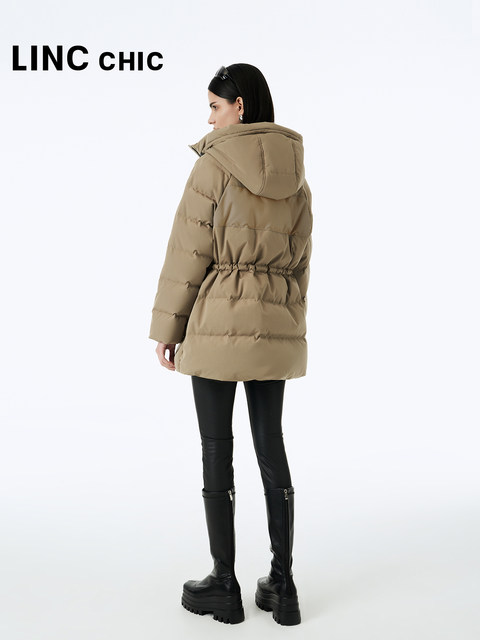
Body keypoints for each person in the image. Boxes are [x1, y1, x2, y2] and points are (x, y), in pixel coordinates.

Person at [148, 63, 313, 626]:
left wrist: (169, 329)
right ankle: (283, 584)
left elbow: (188, 253)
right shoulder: (296, 175)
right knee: (271, 444)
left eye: (215, 107)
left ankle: (224, 583)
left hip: (217, 321)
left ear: (240, 106)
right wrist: (290, 325)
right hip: (276, 324)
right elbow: (301, 264)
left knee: (217, 447)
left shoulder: (213, 165)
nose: (210, 119)